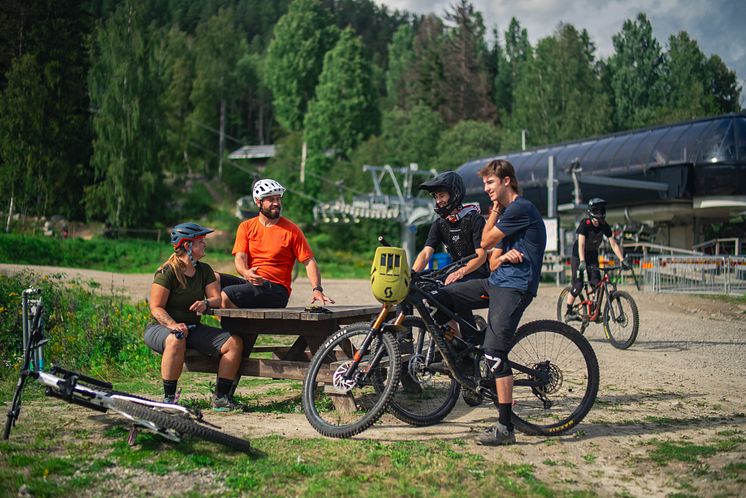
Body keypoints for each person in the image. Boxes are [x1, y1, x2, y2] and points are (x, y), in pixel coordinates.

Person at [476, 159, 547, 446]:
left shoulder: (520, 208)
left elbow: (484, 241)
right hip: (498, 280)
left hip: (516, 286)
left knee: (494, 351)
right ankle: (472, 353)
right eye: (484, 184)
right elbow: (492, 259)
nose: (486, 188)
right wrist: (502, 255)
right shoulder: (509, 215)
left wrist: (494, 211)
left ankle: (506, 428)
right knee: (444, 295)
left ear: (506, 181)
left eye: (490, 182)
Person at [144, 222, 244, 411]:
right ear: (188, 245)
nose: (205, 244)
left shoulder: (204, 270)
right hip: (161, 328)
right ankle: (169, 400)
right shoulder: (167, 272)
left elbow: (215, 298)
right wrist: (173, 325)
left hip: (193, 328)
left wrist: (206, 303)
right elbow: (156, 308)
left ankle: (221, 399)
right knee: (176, 339)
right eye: (201, 241)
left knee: (234, 343)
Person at [219, 178, 335, 309]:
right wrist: (246, 272)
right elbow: (240, 257)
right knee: (214, 279)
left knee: (227, 295)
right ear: (258, 202)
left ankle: (238, 329)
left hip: (276, 290)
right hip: (252, 284)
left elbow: (309, 262)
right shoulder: (246, 227)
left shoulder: (292, 230)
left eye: (278, 199)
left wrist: (317, 289)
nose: (276, 203)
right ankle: (196, 323)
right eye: (271, 199)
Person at [411, 171, 489, 335]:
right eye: (435, 197)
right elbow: (426, 253)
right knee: (418, 287)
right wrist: (411, 274)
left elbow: (481, 256)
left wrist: (460, 272)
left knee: (454, 288)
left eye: (441, 195)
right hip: (455, 272)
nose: (438, 201)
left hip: (477, 272)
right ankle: (450, 338)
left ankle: (469, 339)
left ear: (454, 194)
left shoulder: (474, 219)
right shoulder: (440, 224)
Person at [564, 197, 627, 322]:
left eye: (602, 210)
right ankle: (568, 312)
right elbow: (581, 245)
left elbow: (613, 244)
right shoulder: (585, 225)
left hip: (592, 254)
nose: (601, 213)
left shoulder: (604, 226)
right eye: (598, 210)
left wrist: (622, 259)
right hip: (579, 255)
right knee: (578, 285)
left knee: (596, 283)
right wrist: (582, 261)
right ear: (592, 211)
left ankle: (595, 312)